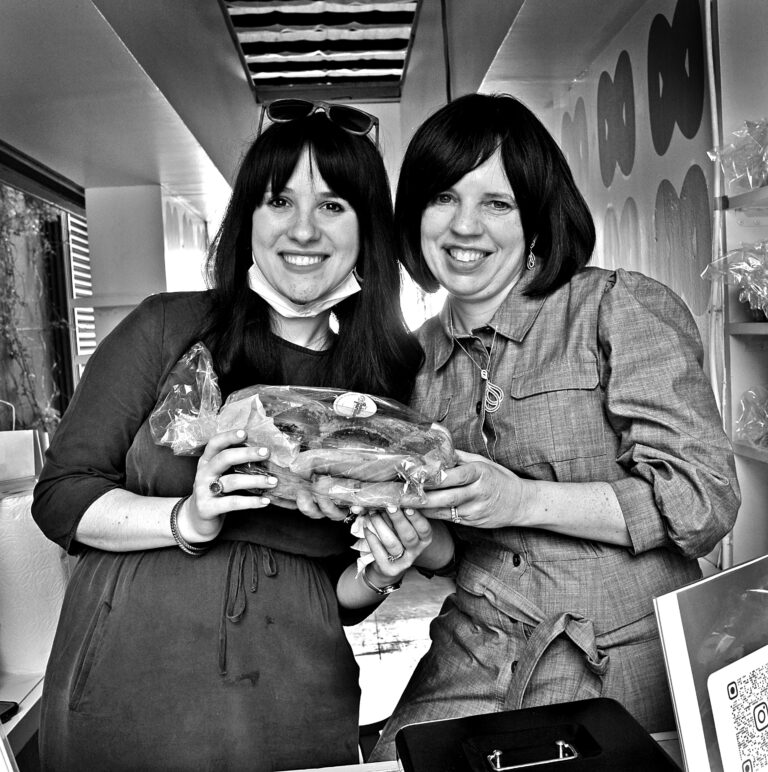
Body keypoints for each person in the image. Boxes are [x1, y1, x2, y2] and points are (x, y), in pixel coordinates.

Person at [32, 100, 453, 771]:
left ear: (368, 228)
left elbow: (334, 597)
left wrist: (380, 572)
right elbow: (60, 496)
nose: (304, 229)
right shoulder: (167, 328)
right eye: (279, 200)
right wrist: (187, 517)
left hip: (294, 697)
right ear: (247, 220)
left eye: (334, 205)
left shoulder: (384, 384)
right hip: (129, 681)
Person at [370, 92, 741, 759]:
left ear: (537, 217)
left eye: (497, 202)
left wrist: (521, 499)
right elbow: (454, 553)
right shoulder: (415, 361)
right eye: (444, 197)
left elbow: (704, 498)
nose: (465, 226)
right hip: (473, 648)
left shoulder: (614, 308)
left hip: (617, 652)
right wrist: (414, 539)